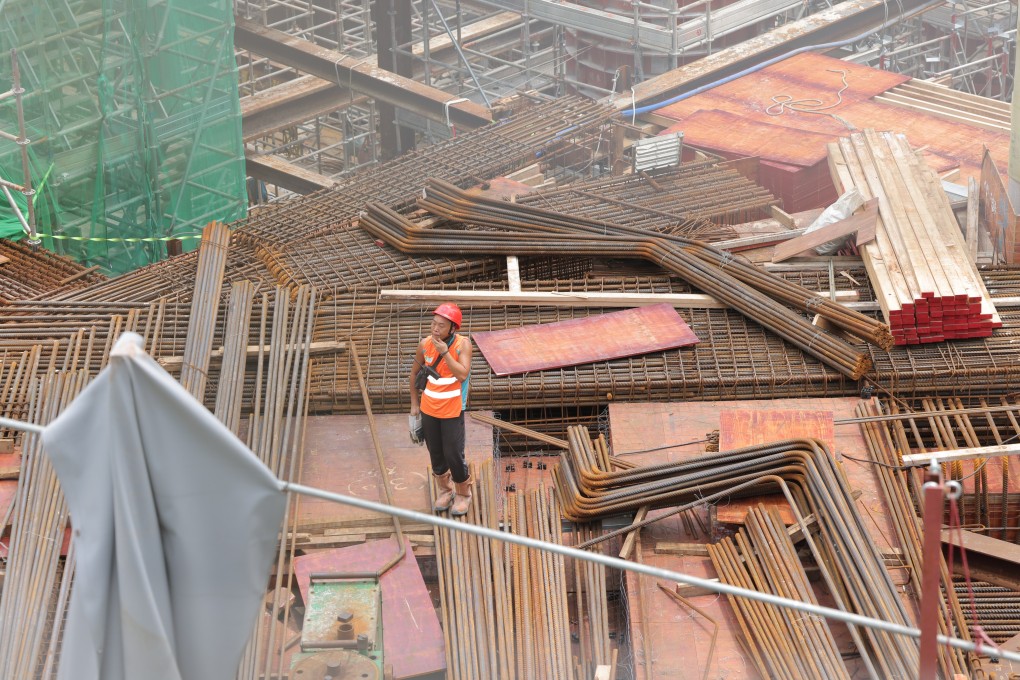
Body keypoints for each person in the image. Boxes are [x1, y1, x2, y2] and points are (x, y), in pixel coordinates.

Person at [409, 303, 473, 516]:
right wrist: (414, 404)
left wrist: (445, 353)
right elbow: (414, 374)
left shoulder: (462, 345)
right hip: (429, 408)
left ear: (452, 328)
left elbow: (462, 374)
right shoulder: (425, 344)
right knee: (435, 452)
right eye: (433, 324)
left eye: (441, 325)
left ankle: (463, 493)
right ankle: (445, 491)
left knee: (453, 452)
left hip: (452, 408)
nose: (435, 329)